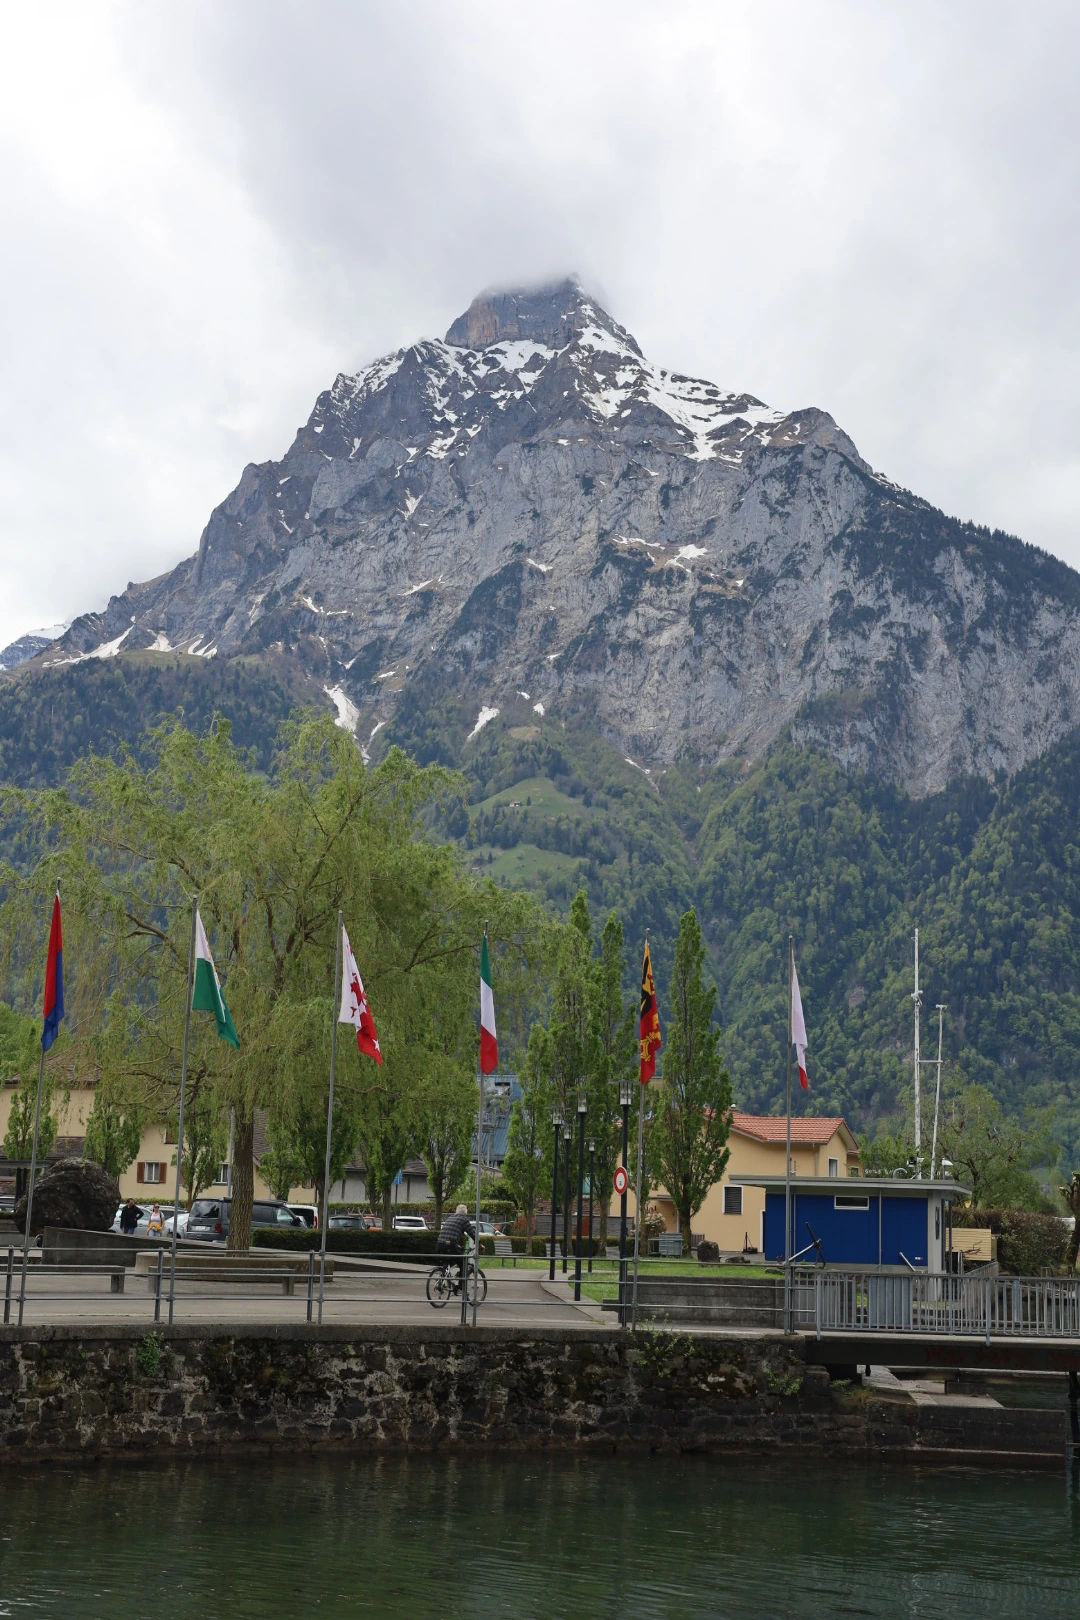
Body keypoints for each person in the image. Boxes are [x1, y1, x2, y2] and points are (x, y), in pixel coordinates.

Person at [436, 1202, 476, 1293]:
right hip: (450, 1245)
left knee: (448, 1261)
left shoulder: (450, 1218)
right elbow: (472, 1233)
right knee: (463, 1262)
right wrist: (480, 1243)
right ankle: (460, 1288)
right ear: (465, 1213)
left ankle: (441, 1281)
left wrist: (456, 1245)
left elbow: (451, 1233)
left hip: (439, 1245)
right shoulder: (464, 1220)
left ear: (456, 1211)